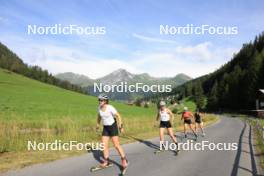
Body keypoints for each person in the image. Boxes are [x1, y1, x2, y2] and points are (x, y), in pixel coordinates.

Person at [96, 94, 128, 170]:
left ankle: (124, 159)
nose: (100, 101)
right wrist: (97, 125)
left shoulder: (110, 107)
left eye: (101, 100)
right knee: (104, 145)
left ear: (105, 101)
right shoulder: (99, 108)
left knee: (116, 145)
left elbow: (118, 115)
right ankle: (106, 162)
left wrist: (121, 126)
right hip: (106, 128)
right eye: (99, 100)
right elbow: (99, 117)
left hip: (113, 127)